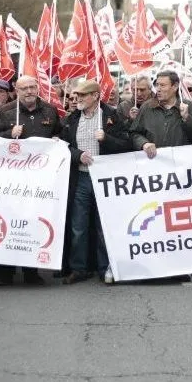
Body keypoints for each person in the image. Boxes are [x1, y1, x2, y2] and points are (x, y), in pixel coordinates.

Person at [0, 75, 62, 286]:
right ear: (17, 90)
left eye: (32, 87)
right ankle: (4, 272)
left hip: (39, 179)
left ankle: (31, 272)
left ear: (37, 88)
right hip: (11, 178)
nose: (29, 91)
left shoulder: (50, 110)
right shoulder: (6, 111)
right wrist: (8, 133)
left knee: (33, 221)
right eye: (24, 88)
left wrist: (58, 140)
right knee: (9, 221)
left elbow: (60, 134)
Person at [61, 80, 132, 284]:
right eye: (77, 95)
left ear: (95, 96)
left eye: (83, 95)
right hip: (82, 177)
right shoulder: (72, 118)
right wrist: (77, 155)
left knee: (104, 225)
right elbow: (64, 145)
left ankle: (105, 267)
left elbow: (126, 144)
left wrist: (106, 139)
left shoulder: (112, 116)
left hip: (105, 178)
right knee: (78, 225)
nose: (78, 99)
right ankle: (78, 268)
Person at [129, 70, 192, 159]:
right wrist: (144, 143)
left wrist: (187, 118)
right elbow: (134, 133)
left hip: (183, 162)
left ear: (175, 86)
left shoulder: (191, 107)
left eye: (162, 85)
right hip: (154, 162)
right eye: (157, 85)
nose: (158, 89)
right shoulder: (147, 107)